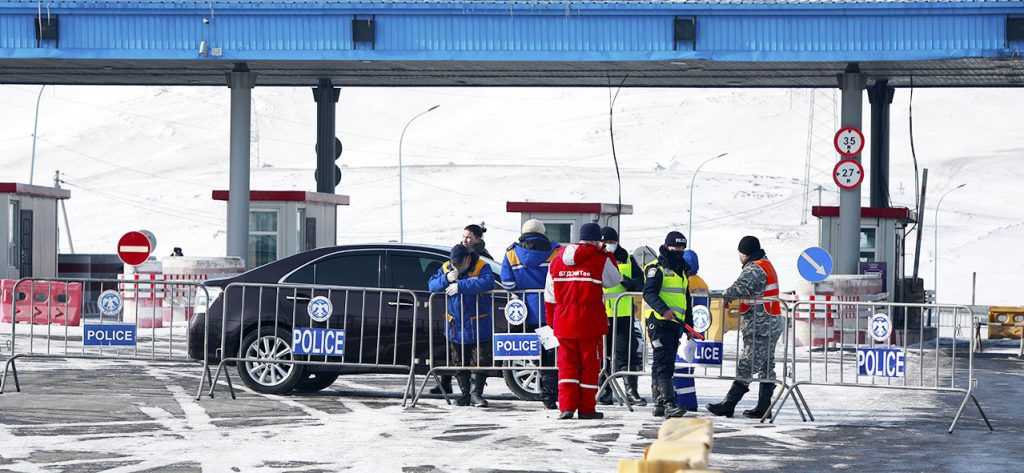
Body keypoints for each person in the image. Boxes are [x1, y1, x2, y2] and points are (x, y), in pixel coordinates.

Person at [544, 222, 622, 420]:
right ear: (596, 241)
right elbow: (615, 280)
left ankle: (566, 407)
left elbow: (549, 296)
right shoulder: (599, 259)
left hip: (564, 323)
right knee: (589, 367)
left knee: (567, 366)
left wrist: (552, 321)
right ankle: (587, 409)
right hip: (590, 323)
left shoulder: (556, 261)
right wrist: (607, 254)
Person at [706, 236, 784, 419]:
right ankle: (763, 407)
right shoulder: (766, 264)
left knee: (747, 364)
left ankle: (728, 404)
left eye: (740, 253)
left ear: (745, 253)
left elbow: (738, 288)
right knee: (766, 365)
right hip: (770, 322)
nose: (739, 257)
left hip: (760, 325)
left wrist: (725, 296)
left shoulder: (754, 268)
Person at [499, 219, 561, 409]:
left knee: (536, 354)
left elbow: (508, 283)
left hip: (525, 314)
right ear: (543, 232)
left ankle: (544, 393)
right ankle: (550, 396)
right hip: (552, 311)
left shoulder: (511, 253)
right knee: (552, 354)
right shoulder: (556, 252)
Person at [428, 244, 496, 408]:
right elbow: (431, 286)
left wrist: (461, 286)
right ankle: (465, 394)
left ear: (468, 258)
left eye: (459, 263)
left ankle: (476, 394)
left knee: (480, 361)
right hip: (456, 325)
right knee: (459, 361)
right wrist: (446, 279)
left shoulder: (482, 266)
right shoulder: (446, 267)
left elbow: (488, 283)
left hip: (478, 324)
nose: (456, 266)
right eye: (454, 263)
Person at [643, 231, 694, 418]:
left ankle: (659, 403)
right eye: (675, 247)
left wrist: (689, 326)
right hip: (659, 321)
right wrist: (663, 310)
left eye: (682, 247)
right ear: (667, 246)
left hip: (675, 324)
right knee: (664, 362)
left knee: (663, 361)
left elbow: (685, 299)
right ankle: (669, 403)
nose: (679, 250)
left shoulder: (681, 270)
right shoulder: (656, 268)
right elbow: (649, 293)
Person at [597, 226, 646, 406]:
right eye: (605, 242)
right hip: (600, 313)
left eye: (612, 242)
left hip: (622, 315)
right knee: (602, 355)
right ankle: (605, 391)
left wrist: (631, 283)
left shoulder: (627, 258)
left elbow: (641, 283)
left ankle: (631, 392)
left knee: (627, 354)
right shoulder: (594, 257)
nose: (608, 245)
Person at [672, 249, 706, 411]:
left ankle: (683, 401)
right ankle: (688, 400)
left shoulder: (686, 281)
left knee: (680, 366)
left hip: (684, 329)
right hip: (697, 331)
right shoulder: (701, 282)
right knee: (686, 367)